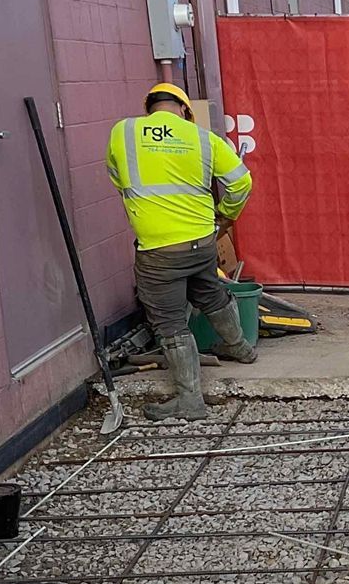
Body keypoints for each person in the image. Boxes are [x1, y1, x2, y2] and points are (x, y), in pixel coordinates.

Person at [106, 82, 255, 422]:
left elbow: (117, 177)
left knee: (170, 322)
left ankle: (189, 399)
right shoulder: (203, 138)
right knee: (211, 293)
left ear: (149, 108)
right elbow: (241, 182)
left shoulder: (123, 132)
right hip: (202, 241)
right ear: (185, 111)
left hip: (159, 249)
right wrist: (226, 214)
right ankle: (240, 348)